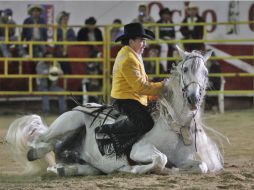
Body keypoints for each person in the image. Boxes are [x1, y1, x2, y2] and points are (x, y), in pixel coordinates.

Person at [95, 23, 166, 156]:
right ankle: (105, 130)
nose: (145, 44)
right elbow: (140, 86)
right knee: (146, 123)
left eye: (144, 40)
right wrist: (163, 86)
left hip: (131, 97)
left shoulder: (131, 54)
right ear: (131, 41)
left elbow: (141, 85)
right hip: (125, 99)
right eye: (141, 40)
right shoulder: (129, 58)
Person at [77, 17, 103, 104]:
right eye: (90, 24)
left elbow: (101, 42)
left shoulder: (98, 31)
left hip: (96, 52)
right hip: (86, 52)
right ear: (87, 25)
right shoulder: (82, 31)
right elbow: (80, 43)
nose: (92, 26)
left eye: (93, 24)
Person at [157, 7, 176, 73]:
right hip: (160, 39)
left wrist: (172, 40)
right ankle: (163, 68)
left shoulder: (171, 23)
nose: (166, 16)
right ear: (161, 15)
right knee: (164, 46)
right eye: (164, 14)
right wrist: (165, 39)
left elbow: (173, 35)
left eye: (167, 14)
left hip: (169, 39)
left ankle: (177, 66)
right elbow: (157, 35)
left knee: (178, 46)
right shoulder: (158, 23)